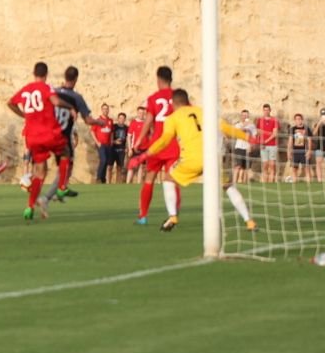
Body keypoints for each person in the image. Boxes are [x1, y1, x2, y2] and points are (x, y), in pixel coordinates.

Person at [136, 89, 256, 234]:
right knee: (228, 186)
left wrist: (145, 154)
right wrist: (248, 138)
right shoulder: (203, 112)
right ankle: (249, 221)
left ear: (174, 103)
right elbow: (225, 127)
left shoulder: (173, 118)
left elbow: (165, 139)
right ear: (187, 101)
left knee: (168, 178)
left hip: (192, 159)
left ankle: (173, 216)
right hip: (213, 157)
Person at [8, 61, 73, 221]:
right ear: (46, 74)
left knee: (39, 172)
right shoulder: (46, 87)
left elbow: (10, 103)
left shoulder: (26, 89)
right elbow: (56, 102)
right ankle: (62, 188)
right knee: (66, 154)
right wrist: (69, 106)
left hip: (33, 137)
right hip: (49, 132)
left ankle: (29, 207)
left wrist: (24, 115)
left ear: (34, 73)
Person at [130, 65, 180, 225]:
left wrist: (138, 141)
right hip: (172, 144)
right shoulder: (178, 97)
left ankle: (143, 216)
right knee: (172, 179)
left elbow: (148, 121)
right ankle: (173, 214)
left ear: (158, 80)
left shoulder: (153, 98)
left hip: (157, 145)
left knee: (149, 179)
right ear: (171, 79)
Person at [49, 66, 104, 202]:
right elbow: (88, 120)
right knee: (68, 162)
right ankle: (60, 189)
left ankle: (56, 192)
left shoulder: (53, 92)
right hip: (63, 135)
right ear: (76, 79)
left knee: (59, 165)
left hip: (48, 133)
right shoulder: (76, 97)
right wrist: (99, 123)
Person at [92, 105, 117, 183]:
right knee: (103, 160)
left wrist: (112, 141)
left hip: (108, 144)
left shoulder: (110, 121)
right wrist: (97, 142)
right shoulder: (98, 120)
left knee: (107, 162)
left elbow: (112, 131)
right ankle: (99, 178)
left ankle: (103, 179)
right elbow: (92, 131)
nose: (106, 110)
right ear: (101, 110)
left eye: (107, 109)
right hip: (101, 144)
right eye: (104, 109)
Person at [231, 108, 254, 185]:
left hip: (247, 148)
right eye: (243, 115)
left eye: (246, 116)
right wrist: (245, 125)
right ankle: (234, 181)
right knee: (238, 166)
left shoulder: (251, 126)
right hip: (239, 147)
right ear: (241, 116)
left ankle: (242, 182)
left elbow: (253, 136)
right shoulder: (238, 124)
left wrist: (251, 146)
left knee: (245, 167)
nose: (245, 117)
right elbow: (237, 132)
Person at [287, 113, 311, 183]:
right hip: (295, 152)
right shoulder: (292, 129)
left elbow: (309, 141)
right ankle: (294, 183)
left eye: (299, 119)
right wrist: (288, 152)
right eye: (296, 119)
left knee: (307, 168)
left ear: (302, 120)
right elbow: (290, 141)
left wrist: (309, 151)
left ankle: (309, 185)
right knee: (294, 169)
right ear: (295, 120)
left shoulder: (306, 128)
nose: (298, 120)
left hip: (304, 151)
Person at [108, 112, 130, 183]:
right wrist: (114, 142)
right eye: (120, 118)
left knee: (119, 167)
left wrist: (127, 148)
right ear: (118, 119)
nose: (121, 120)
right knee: (109, 167)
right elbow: (108, 137)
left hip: (121, 150)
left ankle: (117, 183)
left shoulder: (126, 128)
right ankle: (108, 182)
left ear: (125, 119)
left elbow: (128, 138)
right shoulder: (113, 126)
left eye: (123, 118)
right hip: (112, 149)